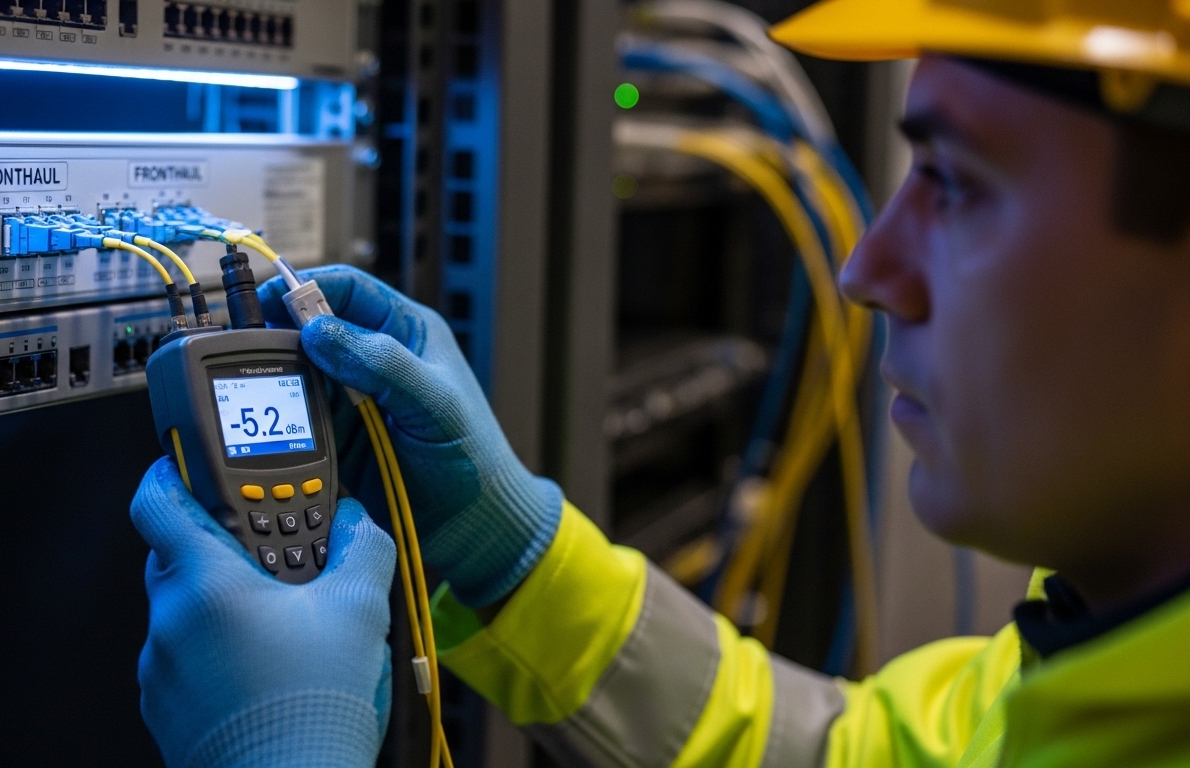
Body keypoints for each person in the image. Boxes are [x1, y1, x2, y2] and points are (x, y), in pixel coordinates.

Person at [128, 1, 1190, 765]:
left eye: (954, 185)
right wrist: (513, 555)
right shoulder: (1084, 662)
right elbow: (835, 749)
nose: (867, 271)